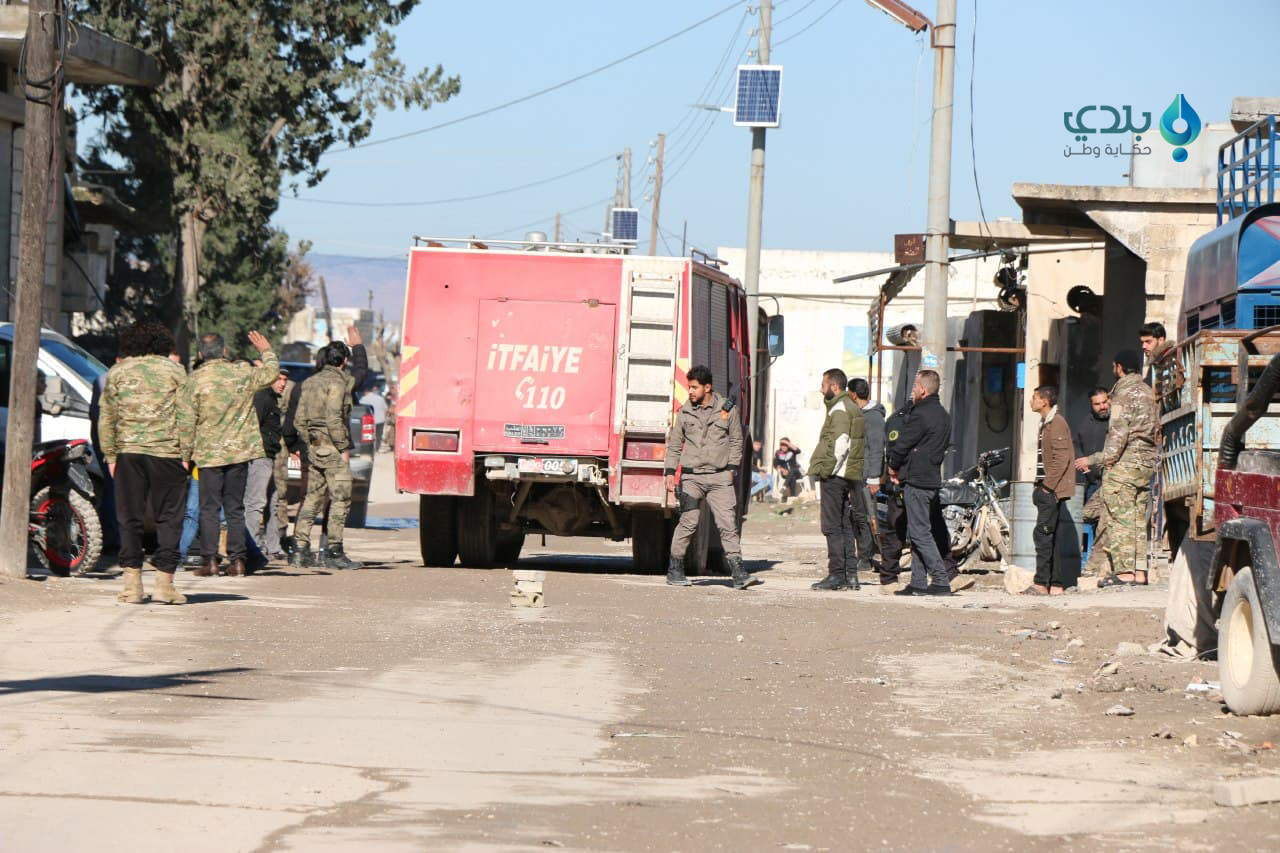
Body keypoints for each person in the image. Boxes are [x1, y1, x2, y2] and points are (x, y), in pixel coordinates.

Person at [97, 321, 191, 605]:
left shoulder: (117, 372)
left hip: (128, 454)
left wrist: (110, 455)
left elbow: (107, 418)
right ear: (163, 343)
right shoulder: (175, 371)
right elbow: (186, 415)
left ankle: (132, 587)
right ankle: (164, 585)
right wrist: (186, 454)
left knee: (129, 519)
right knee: (170, 518)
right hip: (167, 453)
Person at [180, 331, 280, 578]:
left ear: (200, 354)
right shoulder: (242, 373)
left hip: (209, 454)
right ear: (224, 351)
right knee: (235, 508)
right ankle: (238, 561)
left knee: (209, 509)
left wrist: (184, 454)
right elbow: (271, 373)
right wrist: (266, 350)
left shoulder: (194, 380)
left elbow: (186, 421)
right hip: (239, 453)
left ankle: (210, 561)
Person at [663, 365, 757, 590]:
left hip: (719, 478)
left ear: (707, 388)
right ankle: (675, 569)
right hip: (692, 478)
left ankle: (738, 572)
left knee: (727, 524)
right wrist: (670, 472)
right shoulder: (685, 412)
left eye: (694, 387)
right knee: (688, 523)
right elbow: (675, 444)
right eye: (689, 387)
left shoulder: (727, 409)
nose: (690, 391)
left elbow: (736, 440)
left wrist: (732, 468)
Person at [1075, 349, 1158, 586]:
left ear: (1119, 367)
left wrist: (1103, 459)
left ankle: (1124, 572)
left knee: (1120, 518)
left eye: (1114, 366)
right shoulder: (1148, 392)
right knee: (1137, 518)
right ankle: (1139, 572)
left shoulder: (1122, 394)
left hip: (1126, 464)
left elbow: (1118, 433)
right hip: (1146, 462)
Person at [291, 341, 362, 569]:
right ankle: (334, 552)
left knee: (312, 498)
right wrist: (342, 447)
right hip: (332, 447)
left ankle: (299, 549)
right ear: (344, 360)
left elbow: (298, 421)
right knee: (341, 498)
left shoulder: (310, 382)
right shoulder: (338, 382)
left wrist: (312, 441)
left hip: (314, 446)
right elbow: (334, 418)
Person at [887, 370, 953, 596]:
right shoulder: (943, 414)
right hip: (931, 480)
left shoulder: (921, 414)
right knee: (918, 531)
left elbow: (903, 444)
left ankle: (941, 580)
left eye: (915, 386)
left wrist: (893, 466)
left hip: (917, 480)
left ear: (923, 390)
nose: (913, 390)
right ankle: (918, 582)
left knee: (919, 533)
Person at [808, 368, 867, 591]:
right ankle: (851, 575)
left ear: (834, 386)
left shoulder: (840, 409)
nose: (821, 389)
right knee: (844, 526)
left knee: (832, 526)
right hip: (846, 475)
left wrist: (825, 471)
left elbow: (840, 444)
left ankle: (836, 575)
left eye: (823, 385)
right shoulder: (849, 407)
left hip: (835, 476)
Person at [1026, 385, 1074, 595]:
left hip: (1051, 490)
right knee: (1050, 536)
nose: (1031, 401)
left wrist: (1047, 487)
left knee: (1043, 535)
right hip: (1046, 488)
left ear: (1044, 401)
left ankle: (1041, 583)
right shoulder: (1046, 423)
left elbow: (1061, 459)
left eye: (1034, 397)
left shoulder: (1057, 423)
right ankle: (1055, 584)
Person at [248, 368, 288, 559]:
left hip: (270, 456)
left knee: (273, 502)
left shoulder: (272, 398)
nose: (283, 383)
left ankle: (273, 546)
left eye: (285, 379)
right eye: (279, 379)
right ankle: (252, 547)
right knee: (255, 503)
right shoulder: (262, 398)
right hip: (259, 456)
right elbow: (253, 427)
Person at [1074, 387, 1110, 575]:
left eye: (1104, 402)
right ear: (1091, 405)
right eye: (1097, 404)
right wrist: (1084, 466)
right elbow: (1077, 447)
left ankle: (1102, 565)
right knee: (1089, 520)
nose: (1102, 407)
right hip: (1092, 482)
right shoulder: (1085, 425)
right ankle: (1089, 563)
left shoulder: (1116, 423)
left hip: (1112, 482)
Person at [850, 377, 884, 577]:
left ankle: (867, 557)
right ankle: (864, 555)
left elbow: (877, 448)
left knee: (867, 517)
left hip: (867, 476)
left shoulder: (873, 417)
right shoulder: (859, 414)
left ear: (854, 394)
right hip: (857, 474)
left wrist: (873, 477)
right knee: (857, 515)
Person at [359, 382, 388, 452]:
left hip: (369, 420)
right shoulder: (380, 398)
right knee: (379, 434)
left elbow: (360, 408)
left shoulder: (363, 399)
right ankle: (377, 447)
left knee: (369, 434)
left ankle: (369, 448)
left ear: (365, 392)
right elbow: (386, 409)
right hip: (380, 419)